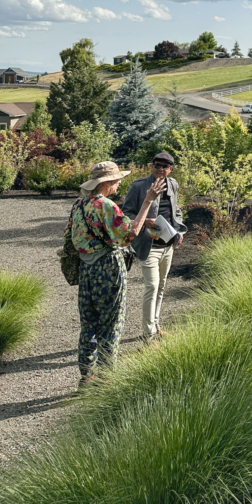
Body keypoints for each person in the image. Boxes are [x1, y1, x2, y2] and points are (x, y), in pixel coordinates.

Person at [69, 161, 165, 387]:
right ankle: (105, 379)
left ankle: (86, 375)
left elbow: (73, 238)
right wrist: (148, 201)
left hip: (87, 268)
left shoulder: (79, 204)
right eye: (118, 179)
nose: (120, 182)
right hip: (108, 267)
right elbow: (128, 235)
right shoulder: (106, 205)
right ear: (107, 183)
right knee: (111, 323)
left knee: (89, 322)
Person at [120, 152, 184, 341]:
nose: (160, 169)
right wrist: (143, 222)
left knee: (162, 286)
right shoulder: (139, 186)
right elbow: (125, 214)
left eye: (165, 166)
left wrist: (179, 231)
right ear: (152, 166)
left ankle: (155, 324)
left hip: (167, 245)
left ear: (170, 169)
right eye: (157, 165)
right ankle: (148, 335)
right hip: (148, 246)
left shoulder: (172, 184)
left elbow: (176, 211)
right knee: (152, 286)